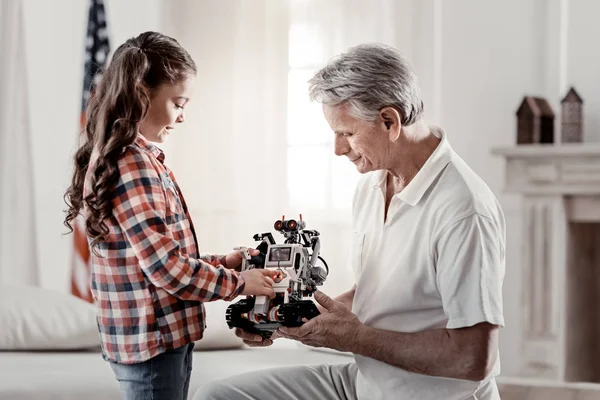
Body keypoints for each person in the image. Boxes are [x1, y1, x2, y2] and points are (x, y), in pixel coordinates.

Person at [194, 43, 506, 400]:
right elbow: (377, 295)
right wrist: (285, 319)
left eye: (347, 133)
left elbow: (474, 358)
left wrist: (354, 338)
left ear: (390, 121)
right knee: (216, 396)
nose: (338, 149)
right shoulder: (372, 184)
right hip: (365, 384)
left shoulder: (463, 210)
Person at [63, 31, 278, 400]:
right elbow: (164, 269)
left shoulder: (136, 160)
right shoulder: (132, 164)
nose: (182, 116)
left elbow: (155, 260)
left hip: (157, 338)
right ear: (142, 94)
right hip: (154, 342)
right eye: (179, 103)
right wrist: (241, 282)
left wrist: (224, 263)